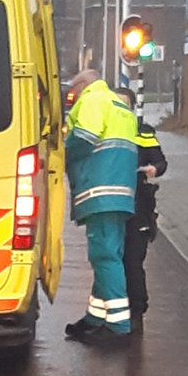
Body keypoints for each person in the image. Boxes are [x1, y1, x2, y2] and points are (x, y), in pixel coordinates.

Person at [64, 69, 139, 343]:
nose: (73, 97)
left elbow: (83, 138)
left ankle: (119, 327)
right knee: (108, 256)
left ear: (84, 85)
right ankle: (95, 318)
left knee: (105, 256)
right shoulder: (121, 107)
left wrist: (60, 153)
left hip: (99, 190)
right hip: (120, 193)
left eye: (74, 91)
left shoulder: (94, 100)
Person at [115, 85, 168, 326]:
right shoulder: (106, 131)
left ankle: (137, 308)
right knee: (111, 258)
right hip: (113, 205)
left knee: (134, 259)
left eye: (125, 103)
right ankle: (116, 305)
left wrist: (153, 169)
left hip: (138, 206)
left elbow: (160, 161)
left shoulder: (143, 132)